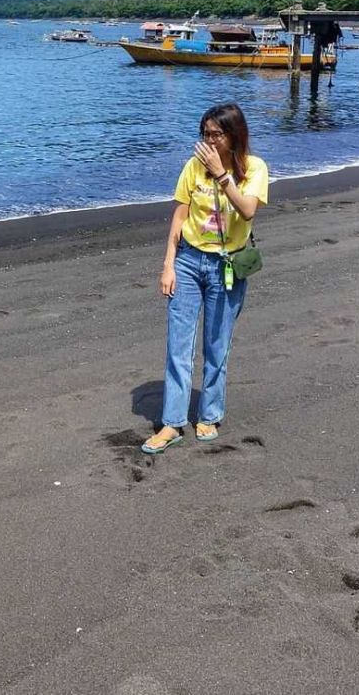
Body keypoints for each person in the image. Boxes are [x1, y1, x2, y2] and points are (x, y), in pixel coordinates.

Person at [142, 102, 269, 454]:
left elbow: (247, 209)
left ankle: (209, 415)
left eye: (217, 134)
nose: (209, 141)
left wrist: (221, 175)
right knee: (178, 346)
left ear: (234, 135)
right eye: (206, 134)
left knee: (216, 345)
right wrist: (168, 264)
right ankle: (172, 423)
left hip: (227, 265)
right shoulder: (192, 167)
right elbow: (179, 215)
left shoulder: (254, 168)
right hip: (189, 260)